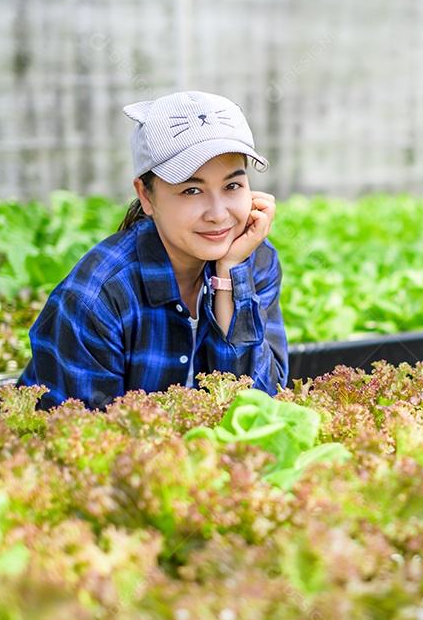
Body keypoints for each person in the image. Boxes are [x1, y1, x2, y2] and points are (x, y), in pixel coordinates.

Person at [18, 91, 288, 409]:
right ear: (146, 196)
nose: (218, 214)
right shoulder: (96, 299)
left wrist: (229, 277)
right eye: (191, 190)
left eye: (232, 186)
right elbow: (81, 430)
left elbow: (261, 406)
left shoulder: (255, 259)